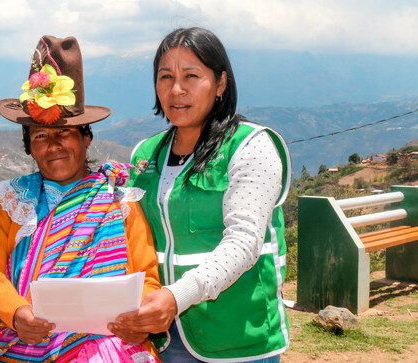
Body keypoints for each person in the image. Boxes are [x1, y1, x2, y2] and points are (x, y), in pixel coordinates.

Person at [0, 35, 161, 362]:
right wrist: (17, 313)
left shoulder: (117, 199)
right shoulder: (14, 203)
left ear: (86, 138)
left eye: (65, 133)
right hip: (24, 339)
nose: (54, 145)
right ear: (29, 147)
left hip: (105, 346)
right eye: (41, 136)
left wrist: (139, 320)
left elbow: (146, 278)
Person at [109, 27, 292, 362]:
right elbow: (132, 238)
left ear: (220, 83)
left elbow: (244, 242)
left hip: (237, 336)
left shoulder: (251, 146)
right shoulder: (145, 155)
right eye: (165, 77)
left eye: (191, 76)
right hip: (163, 336)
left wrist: (175, 297)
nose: (176, 90)